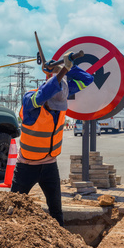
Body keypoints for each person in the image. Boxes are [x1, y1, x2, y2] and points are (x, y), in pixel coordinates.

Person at [11, 52, 94, 226]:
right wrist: (63, 69)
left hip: (50, 166)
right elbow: (44, 93)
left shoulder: (63, 90)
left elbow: (87, 79)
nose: (57, 110)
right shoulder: (30, 102)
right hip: (27, 166)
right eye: (53, 106)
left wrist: (66, 68)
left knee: (56, 210)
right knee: (12, 207)